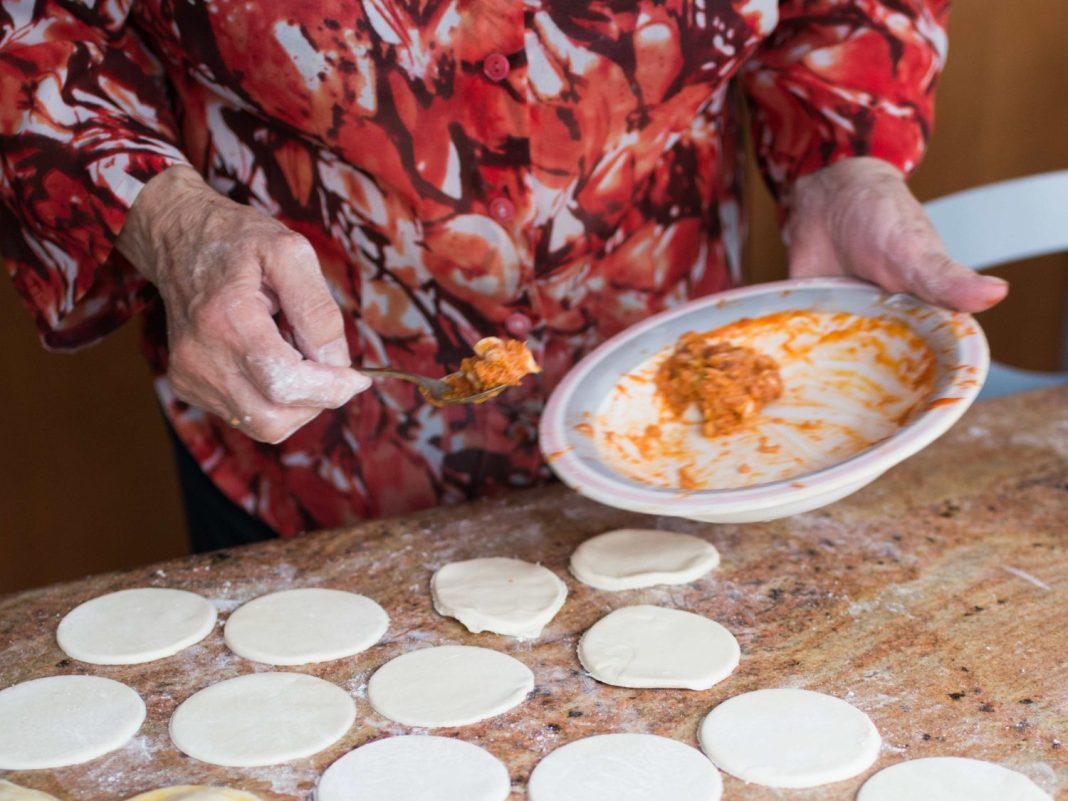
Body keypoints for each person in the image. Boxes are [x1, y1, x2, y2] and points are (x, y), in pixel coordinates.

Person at [0, 1, 1007, 550]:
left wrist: (842, 155)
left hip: (688, 428)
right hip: (306, 415)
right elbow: (32, 31)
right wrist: (168, 222)